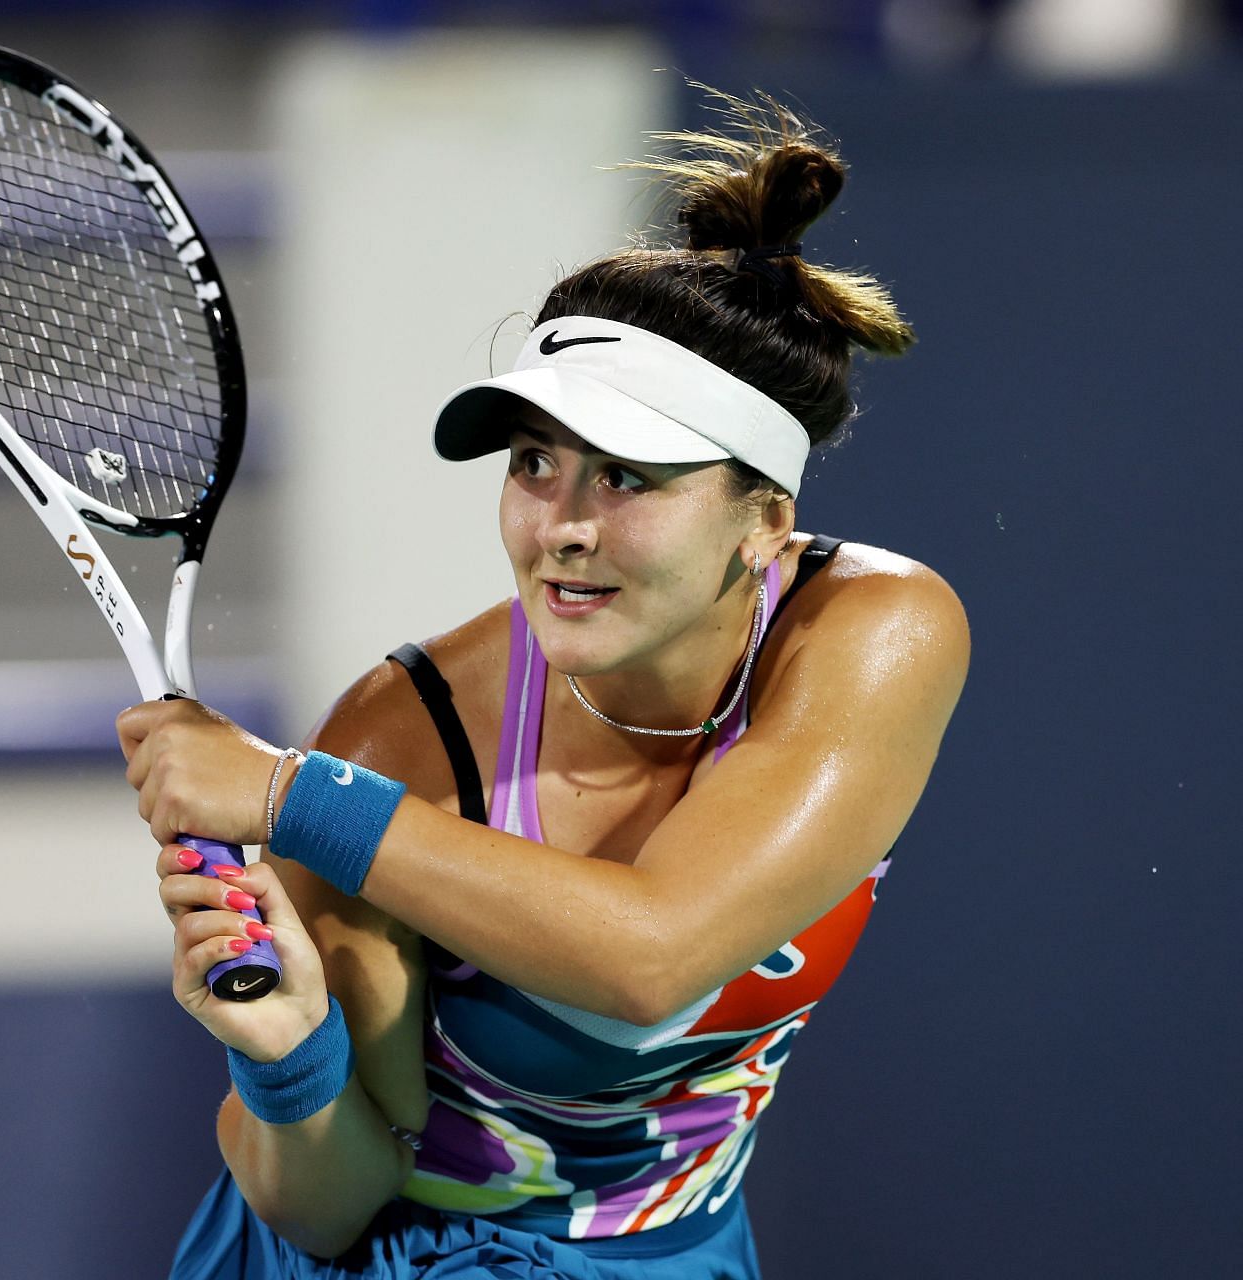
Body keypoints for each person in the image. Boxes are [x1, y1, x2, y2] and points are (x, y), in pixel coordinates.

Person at [117, 93, 969, 1279]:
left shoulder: (875, 629)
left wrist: (287, 795)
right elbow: (324, 1204)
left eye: (626, 476)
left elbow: (655, 953)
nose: (561, 526)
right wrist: (286, 1054)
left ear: (765, 521)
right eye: (534, 465)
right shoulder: (398, 739)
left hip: (682, 1247)